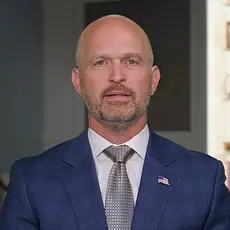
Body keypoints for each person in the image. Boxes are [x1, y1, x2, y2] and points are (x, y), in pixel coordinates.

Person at [0, 14, 230, 230]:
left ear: (154, 80)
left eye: (131, 61)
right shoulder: (31, 181)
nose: (117, 76)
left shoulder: (204, 179)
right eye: (100, 62)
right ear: (78, 82)